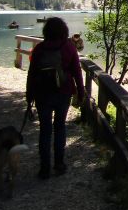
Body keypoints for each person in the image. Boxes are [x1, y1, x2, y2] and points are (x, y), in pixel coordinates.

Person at [26, 17, 85, 179]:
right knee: (59, 127)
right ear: (63, 31)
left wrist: (29, 96)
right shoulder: (69, 48)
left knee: (45, 130)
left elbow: (32, 74)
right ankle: (59, 164)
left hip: (42, 93)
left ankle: (44, 168)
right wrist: (80, 91)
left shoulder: (39, 49)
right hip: (63, 92)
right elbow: (77, 71)